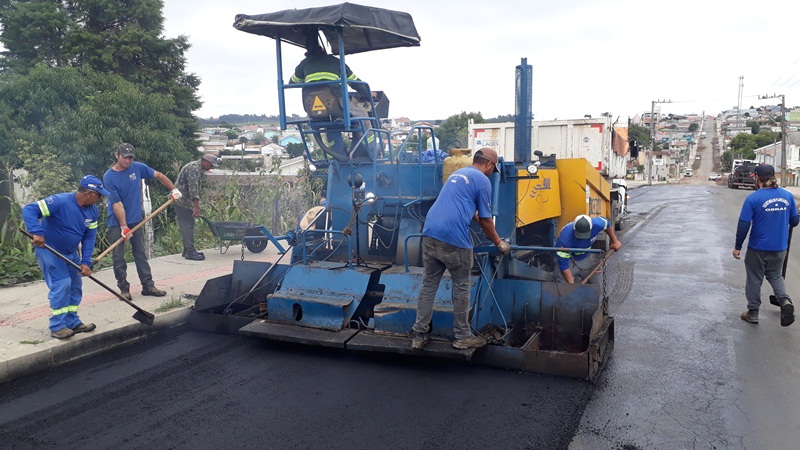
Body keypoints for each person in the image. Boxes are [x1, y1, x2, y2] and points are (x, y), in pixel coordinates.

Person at [410, 148, 511, 350]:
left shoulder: (458, 174)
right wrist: (499, 242)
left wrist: (480, 224)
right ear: (489, 165)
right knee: (461, 287)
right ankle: (462, 336)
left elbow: (464, 208)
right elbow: (485, 219)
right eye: (493, 169)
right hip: (453, 238)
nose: (492, 173)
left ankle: (419, 334)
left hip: (429, 233)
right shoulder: (483, 180)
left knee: (429, 285)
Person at [22, 175, 109, 339]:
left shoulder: (93, 211)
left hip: (70, 253)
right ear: (90, 194)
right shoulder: (59, 202)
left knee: (75, 285)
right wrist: (37, 232)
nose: (100, 199)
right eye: (99, 195)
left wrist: (85, 261)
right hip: (50, 250)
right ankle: (57, 326)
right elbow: (29, 210)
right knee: (62, 284)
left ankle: (72, 322)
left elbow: (89, 237)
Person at [103, 143, 182, 300]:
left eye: (131, 157)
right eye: (125, 157)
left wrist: (174, 189)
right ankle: (124, 289)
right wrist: (123, 227)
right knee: (118, 257)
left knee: (140, 253)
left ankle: (148, 286)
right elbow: (117, 204)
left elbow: (158, 175)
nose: (128, 160)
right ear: (117, 155)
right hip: (116, 223)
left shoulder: (137, 168)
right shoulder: (109, 177)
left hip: (135, 220)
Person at [733, 164, 799, 326]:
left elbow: (743, 224)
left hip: (758, 248)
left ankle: (753, 312)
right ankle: (785, 301)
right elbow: (795, 222)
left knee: (755, 278)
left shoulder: (753, 198)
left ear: (756, 178)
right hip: (780, 248)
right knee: (776, 275)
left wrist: (738, 246)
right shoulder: (787, 196)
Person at [175, 154, 219, 261]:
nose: (211, 168)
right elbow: (193, 189)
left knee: (188, 225)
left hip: (184, 200)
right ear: (204, 161)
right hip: (182, 201)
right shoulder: (193, 169)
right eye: (211, 165)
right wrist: (196, 207)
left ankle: (187, 250)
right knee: (188, 225)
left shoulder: (198, 168)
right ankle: (190, 251)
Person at [555, 214, 622, 284]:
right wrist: (572, 286)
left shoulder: (597, 224)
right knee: (562, 283)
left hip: (586, 258)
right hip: (570, 260)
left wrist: (615, 241)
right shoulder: (565, 238)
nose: (582, 238)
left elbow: (606, 223)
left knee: (595, 283)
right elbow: (563, 263)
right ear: (574, 229)